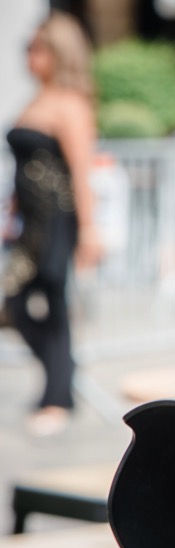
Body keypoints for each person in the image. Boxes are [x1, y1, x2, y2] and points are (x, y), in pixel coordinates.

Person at [3, 11, 101, 437]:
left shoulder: (70, 104)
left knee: (54, 305)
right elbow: (24, 168)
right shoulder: (34, 100)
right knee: (14, 302)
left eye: (36, 48)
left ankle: (57, 397)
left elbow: (81, 171)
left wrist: (91, 230)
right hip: (28, 226)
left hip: (58, 222)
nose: (29, 56)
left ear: (57, 53)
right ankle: (63, 376)